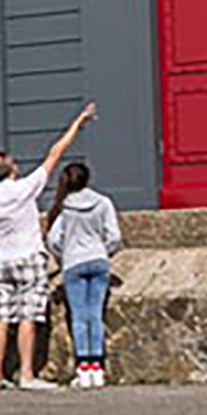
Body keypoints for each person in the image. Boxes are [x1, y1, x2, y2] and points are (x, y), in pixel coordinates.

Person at [0, 104, 99, 391]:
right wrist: (78, 122)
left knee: (1, 320)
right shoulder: (26, 186)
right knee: (29, 317)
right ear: (12, 168)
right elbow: (56, 152)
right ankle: (26, 374)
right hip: (28, 257)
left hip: (2, 261)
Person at [51, 158, 125, 389]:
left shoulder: (63, 207)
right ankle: (98, 367)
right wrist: (105, 252)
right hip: (98, 259)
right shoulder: (103, 202)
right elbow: (114, 237)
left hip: (73, 262)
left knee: (79, 316)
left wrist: (63, 257)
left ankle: (84, 367)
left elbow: (53, 239)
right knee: (95, 314)